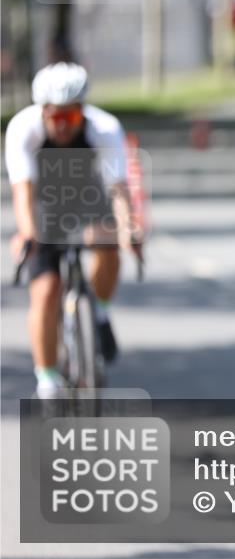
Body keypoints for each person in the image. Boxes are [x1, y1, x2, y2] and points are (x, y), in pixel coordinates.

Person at [5, 62, 143, 398]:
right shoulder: (23, 129)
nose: (64, 126)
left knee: (108, 244)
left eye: (73, 118)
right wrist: (28, 236)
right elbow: (23, 195)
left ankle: (100, 313)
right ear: (43, 111)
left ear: (84, 112)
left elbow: (118, 189)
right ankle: (48, 380)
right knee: (46, 290)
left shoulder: (105, 127)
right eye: (56, 117)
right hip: (44, 201)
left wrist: (128, 230)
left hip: (86, 193)